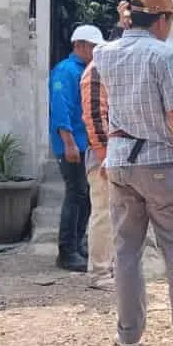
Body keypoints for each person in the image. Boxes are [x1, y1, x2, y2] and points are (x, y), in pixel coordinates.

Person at [92, 0, 173, 346]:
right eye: (169, 20)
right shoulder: (164, 56)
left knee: (126, 251)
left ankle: (129, 335)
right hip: (161, 163)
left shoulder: (104, 54)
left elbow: (114, 62)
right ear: (160, 20)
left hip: (120, 163)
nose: (170, 28)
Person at [79, 1, 133, 290]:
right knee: (103, 212)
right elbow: (95, 115)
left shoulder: (114, 67)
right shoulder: (99, 67)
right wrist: (104, 156)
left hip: (120, 155)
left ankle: (110, 269)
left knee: (117, 215)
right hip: (104, 155)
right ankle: (99, 272)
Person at [49, 24, 106, 272]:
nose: (95, 52)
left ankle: (79, 244)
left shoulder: (87, 70)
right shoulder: (65, 71)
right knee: (75, 195)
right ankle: (67, 251)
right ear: (79, 45)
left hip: (86, 143)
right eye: (93, 47)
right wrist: (69, 142)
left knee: (85, 197)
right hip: (72, 145)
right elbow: (61, 109)